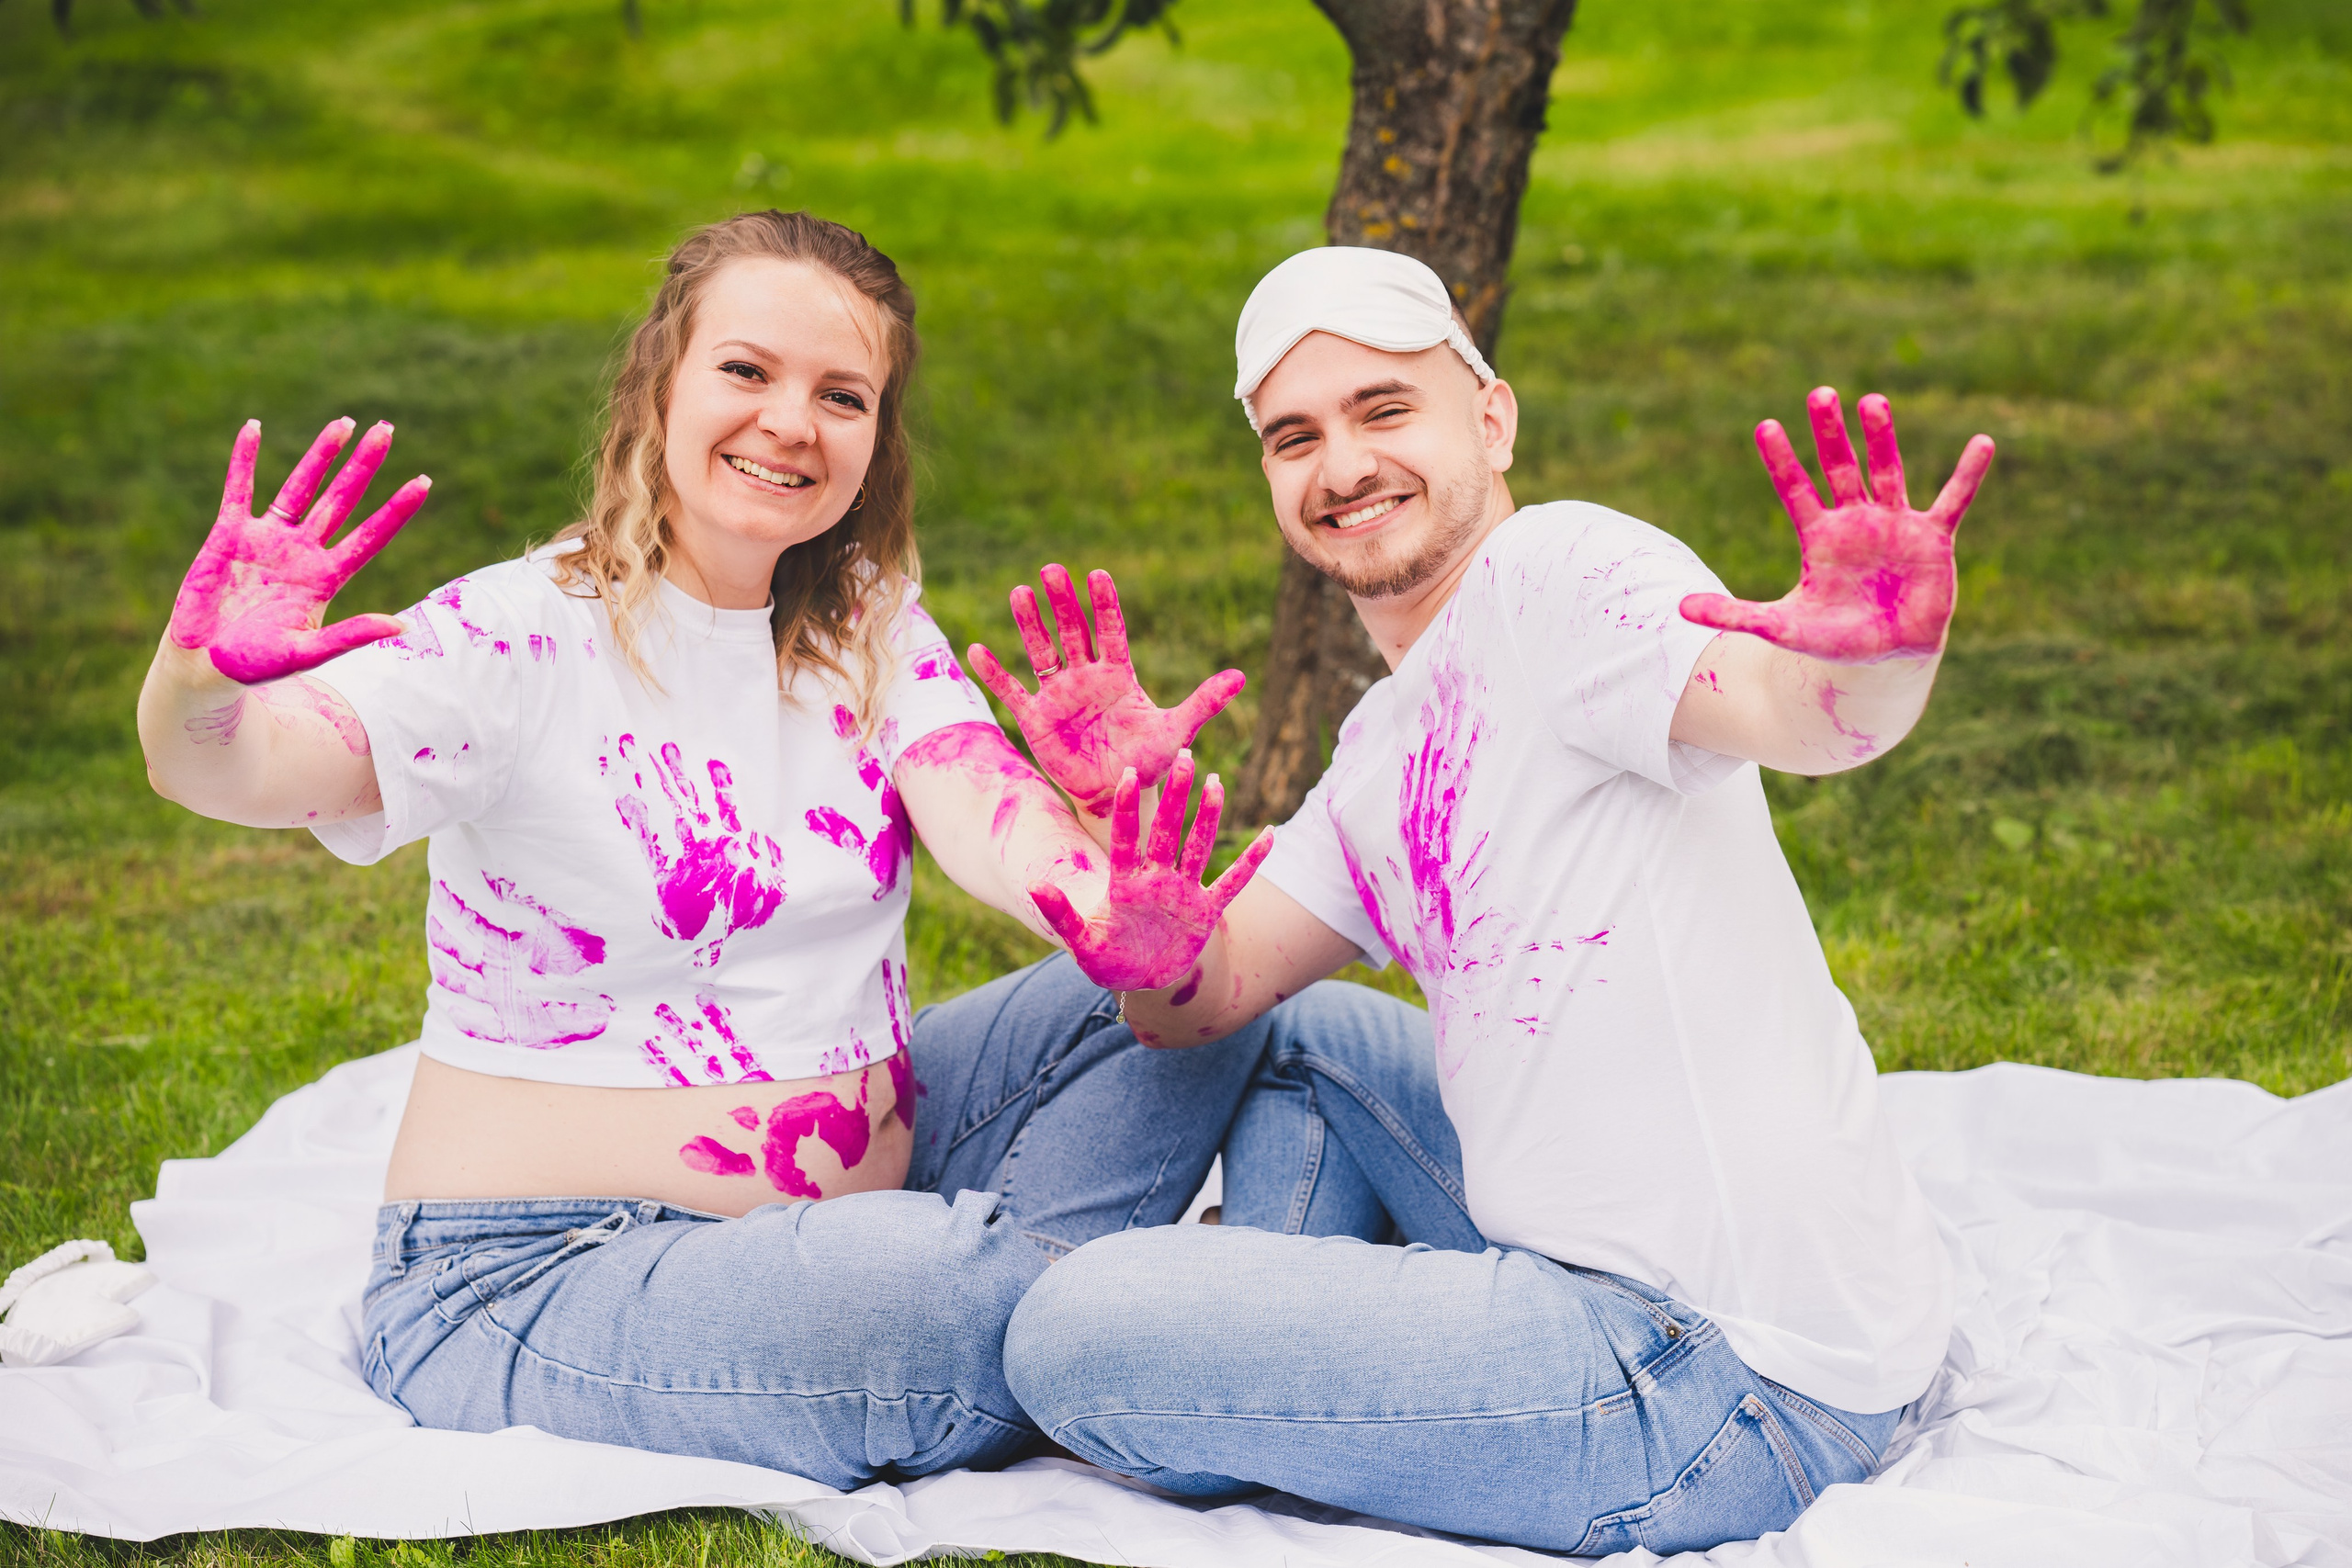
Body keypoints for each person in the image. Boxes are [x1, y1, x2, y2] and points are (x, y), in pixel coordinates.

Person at [133, 209, 1397, 1490]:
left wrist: (1124, 912)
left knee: (1214, 996)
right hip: (537, 1275)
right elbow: (229, 765)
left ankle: (1113, 1338)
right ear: (658, 389)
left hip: (849, 1214)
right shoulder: (512, 639)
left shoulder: (863, 624)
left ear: (875, 442)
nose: (792, 421)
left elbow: (982, 813)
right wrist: (198, 678)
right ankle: (1154, 1332)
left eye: (841, 395)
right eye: (747, 372)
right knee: (933, 1294)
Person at [992, 246, 1996, 1555]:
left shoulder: (1561, 579)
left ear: (1493, 417)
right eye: (1295, 437)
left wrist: (1877, 659)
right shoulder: (1381, 749)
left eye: (1383, 410)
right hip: (1678, 1299)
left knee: (1075, 1334)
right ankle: (1309, 1360)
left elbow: (1789, 712)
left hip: (1726, 1383)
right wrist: (1131, 888)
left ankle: (1271, 1370)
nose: (1341, 465)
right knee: (1312, 1046)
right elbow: (1212, 1001)